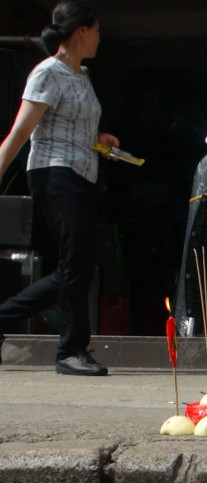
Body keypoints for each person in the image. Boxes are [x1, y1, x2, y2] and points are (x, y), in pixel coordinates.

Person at [0, 0, 119, 375]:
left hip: (81, 173)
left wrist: (99, 140)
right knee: (78, 260)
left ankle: (5, 319)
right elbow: (22, 130)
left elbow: (71, 125)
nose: (100, 39)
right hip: (54, 174)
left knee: (79, 263)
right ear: (81, 30)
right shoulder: (47, 72)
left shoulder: (81, 75)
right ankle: (71, 350)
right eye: (97, 31)